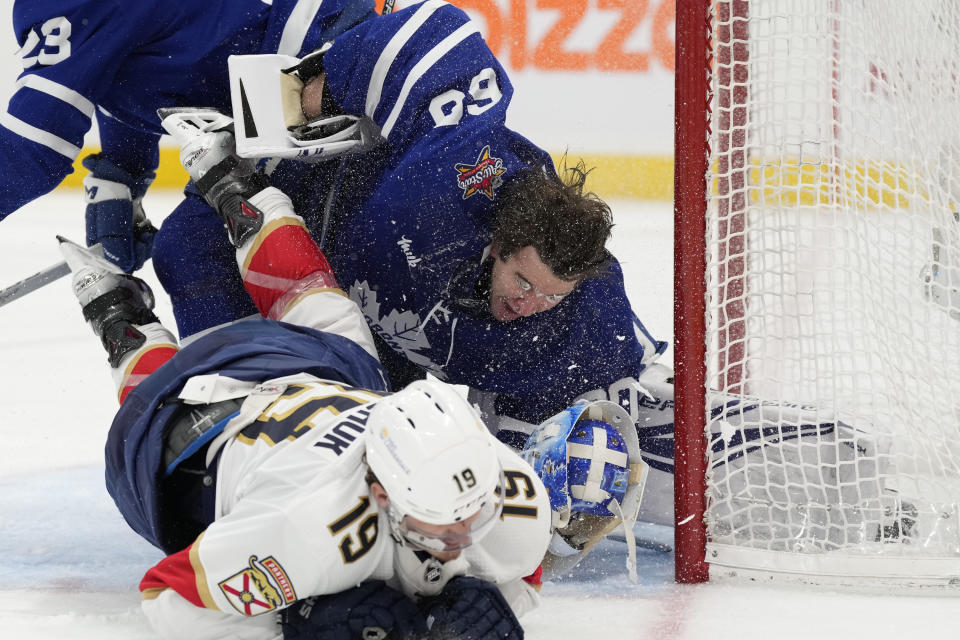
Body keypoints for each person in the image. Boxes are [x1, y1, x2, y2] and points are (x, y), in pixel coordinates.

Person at [151, 0, 679, 531]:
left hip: (377, 360)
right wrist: (304, 97)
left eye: (549, 295)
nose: (529, 304)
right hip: (299, 213)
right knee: (186, 258)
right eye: (523, 281)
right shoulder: (449, 187)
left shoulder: (584, 320)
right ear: (497, 243)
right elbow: (438, 33)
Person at [56, 118, 552, 639]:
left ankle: (231, 187)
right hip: (210, 430)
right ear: (380, 493)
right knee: (155, 417)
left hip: (322, 382)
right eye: (441, 524)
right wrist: (291, 624)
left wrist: (500, 602)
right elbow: (167, 593)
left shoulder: (505, 494)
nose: (461, 541)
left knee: (333, 321)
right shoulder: (302, 529)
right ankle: (117, 318)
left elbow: (520, 561)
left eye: (473, 519)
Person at [2, 0, 378, 272]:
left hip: (313, 72)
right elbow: (129, 61)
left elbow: (33, 149)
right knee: (200, 252)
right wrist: (120, 172)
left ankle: (282, 379)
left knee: (198, 254)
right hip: (305, 66)